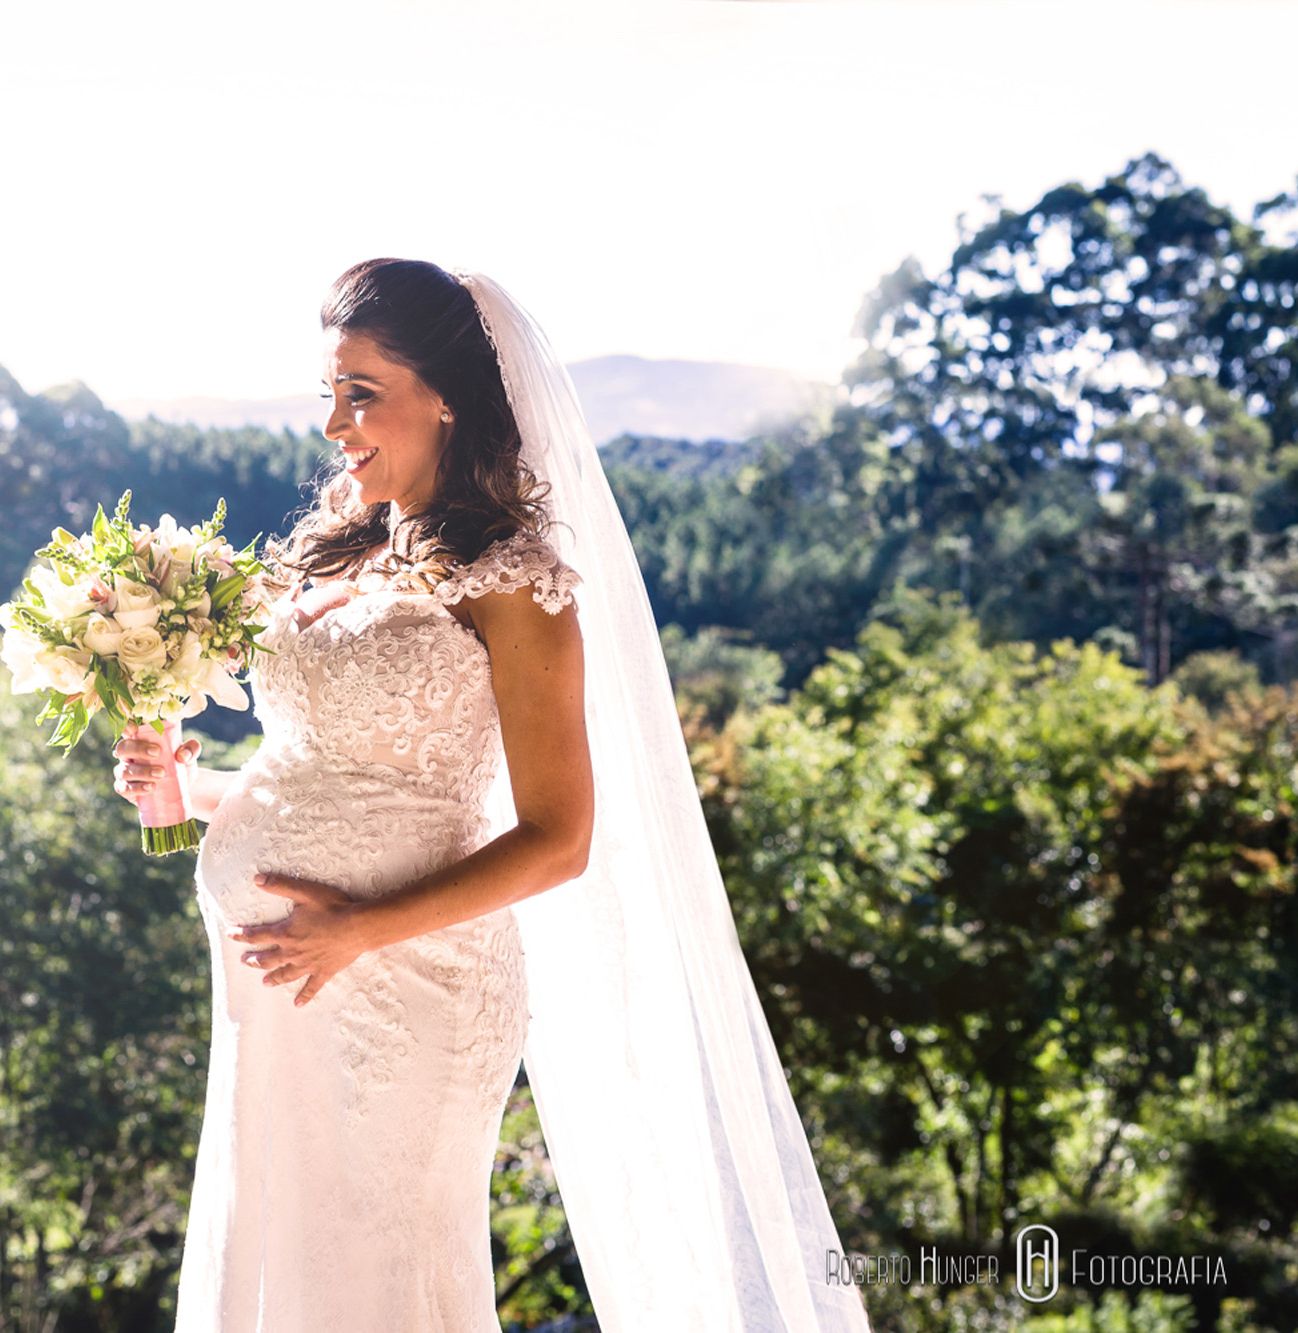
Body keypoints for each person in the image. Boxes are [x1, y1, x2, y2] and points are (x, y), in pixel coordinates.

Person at [113, 260, 870, 1332]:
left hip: (406, 987)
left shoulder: (514, 581)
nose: (333, 423)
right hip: (275, 996)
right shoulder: (332, 550)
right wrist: (184, 790)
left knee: (381, 1268)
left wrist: (361, 929)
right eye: (328, 393)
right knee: (279, 1256)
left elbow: (559, 839)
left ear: (447, 399)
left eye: (362, 393)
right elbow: (328, 773)